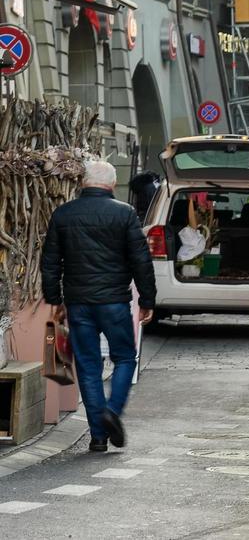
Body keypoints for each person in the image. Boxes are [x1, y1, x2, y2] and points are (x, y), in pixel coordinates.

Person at [41, 161, 155, 454]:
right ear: (113, 184)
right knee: (125, 358)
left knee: (88, 366)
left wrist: (55, 300)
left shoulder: (64, 214)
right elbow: (141, 261)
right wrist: (147, 300)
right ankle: (112, 411)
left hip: (78, 303)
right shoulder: (125, 214)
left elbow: (50, 262)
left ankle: (98, 437)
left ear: (84, 183)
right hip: (115, 302)